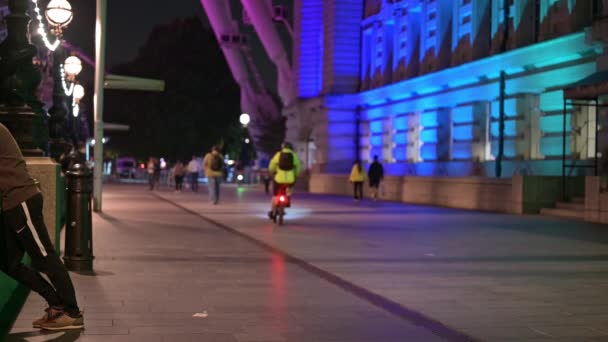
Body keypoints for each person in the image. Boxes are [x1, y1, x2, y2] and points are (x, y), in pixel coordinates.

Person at [0, 123, 83, 330]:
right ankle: (56, 304)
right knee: (8, 262)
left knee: (45, 257)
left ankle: (71, 312)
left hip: (21, 201)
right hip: (12, 205)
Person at [268, 142, 301, 219]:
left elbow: (271, 165)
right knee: (289, 190)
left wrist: (272, 171)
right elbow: (298, 167)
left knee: (275, 194)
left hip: (279, 179)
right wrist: (296, 175)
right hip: (290, 179)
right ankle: (287, 200)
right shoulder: (294, 155)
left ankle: (273, 211)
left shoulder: (278, 154)